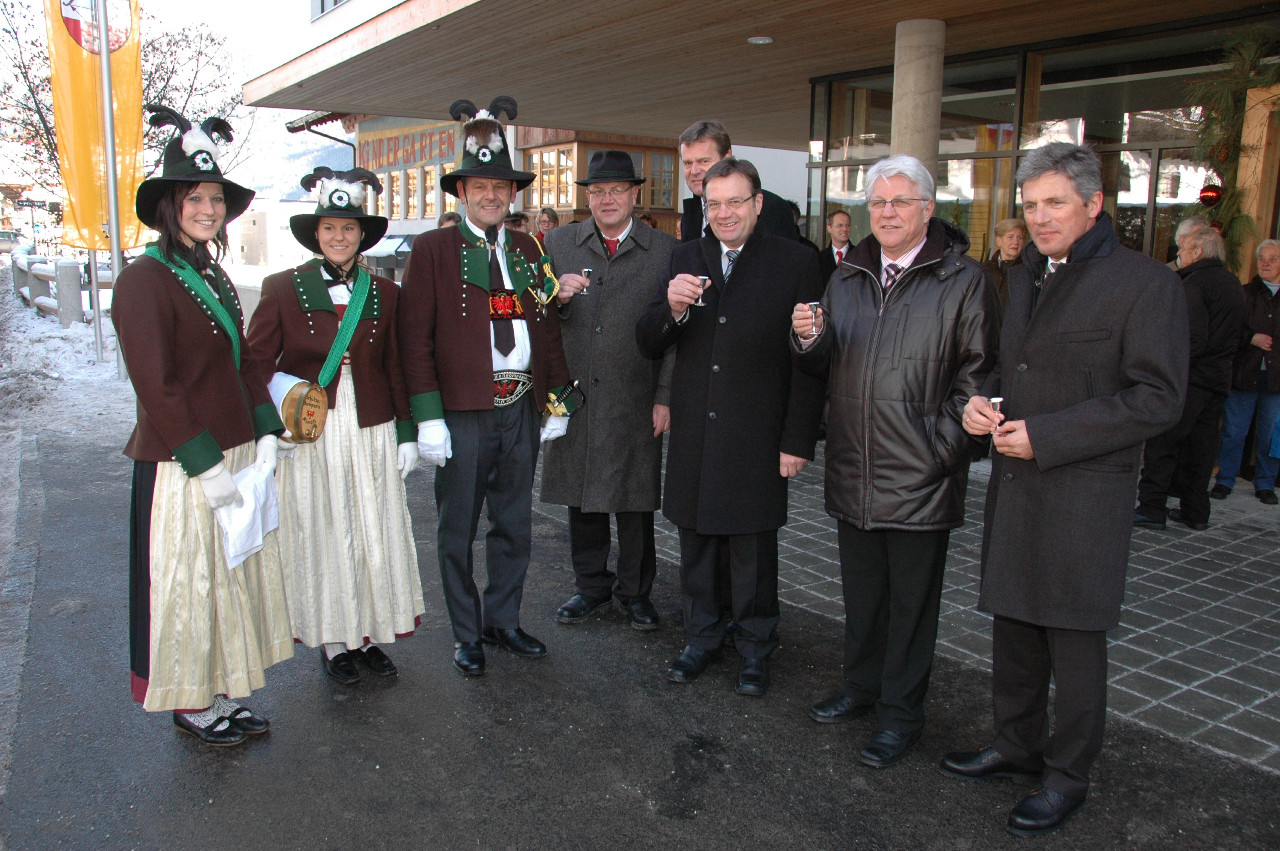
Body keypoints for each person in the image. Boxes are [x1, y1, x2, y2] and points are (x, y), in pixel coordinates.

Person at [945, 142, 1186, 837]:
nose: (1040, 217)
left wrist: (1048, 436)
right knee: (1015, 628)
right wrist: (982, 403)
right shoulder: (1025, 273)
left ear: (1094, 204)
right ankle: (1016, 744)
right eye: (1030, 205)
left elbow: (1159, 398)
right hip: (1018, 484)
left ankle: (1067, 776)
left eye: (1055, 202)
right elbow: (1012, 366)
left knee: (1075, 643)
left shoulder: (1146, 283)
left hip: (1085, 494)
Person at [792, 155, 998, 769]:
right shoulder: (848, 273)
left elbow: (980, 375)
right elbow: (827, 362)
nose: (886, 212)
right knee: (863, 597)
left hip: (921, 475)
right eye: (878, 202)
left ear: (928, 210)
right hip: (854, 467)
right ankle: (861, 687)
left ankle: (901, 716)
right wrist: (808, 338)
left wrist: (940, 453)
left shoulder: (963, 280)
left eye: (900, 202)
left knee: (911, 609)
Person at [113, 105, 293, 747]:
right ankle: (188, 700)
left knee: (223, 581)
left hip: (232, 452)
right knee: (186, 585)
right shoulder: (143, 280)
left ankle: (216, 689)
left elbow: (243, 363)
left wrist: (266, 428)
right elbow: (156, 386)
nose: (209, 209)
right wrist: (207, 465)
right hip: (184, 465)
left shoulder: (210, 273)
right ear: (169, 205)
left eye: (216, 198)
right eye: (194, 198)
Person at [398, 96, 575, 677]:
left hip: (520, 408)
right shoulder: (432, 250)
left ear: (512, 192)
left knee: (513, 524)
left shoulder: (528, 248)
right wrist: (427, 417)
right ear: (462, 191)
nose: (491, 195)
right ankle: (466, 633)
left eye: (500, 185)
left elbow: (546, 328)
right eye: (480, 185)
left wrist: (557, 400)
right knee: (458, 529)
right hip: (463, 414)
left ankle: (503, 621)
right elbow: (415, 341)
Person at [636, 157, 825, 697]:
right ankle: (701, 638)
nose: (724, 213)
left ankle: (756, 647)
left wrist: (797, 439)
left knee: (752, 551)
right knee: (696, 545)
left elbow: (811, 363)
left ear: (757, 204)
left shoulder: (795, 261)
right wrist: (671, 309)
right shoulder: (685, 257)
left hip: (757, 435)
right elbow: (648, 340)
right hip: (697, 432)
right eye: (713, 203)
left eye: (735, 201)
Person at [247, 167, 425, 685]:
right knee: (323, 528)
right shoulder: (282, 287)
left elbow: (396, 365)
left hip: (370, 425)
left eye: (348, 228)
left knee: (372, 528)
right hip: (312, 428)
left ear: (362, 234)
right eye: (329, 227)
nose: (339, 237)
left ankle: (367, 635)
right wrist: (268, 426)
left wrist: (407, 432)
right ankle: (332, 640)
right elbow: (255, 364)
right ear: (316, 233)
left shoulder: (386, 292)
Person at [540, 150, 677, 631]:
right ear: (588, 197)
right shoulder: (557, 242)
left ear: (635, 194)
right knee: (581, 496)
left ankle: (636, 592)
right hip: (576, 394)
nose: (607, 199)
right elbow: (535, 314)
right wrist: (556, 299)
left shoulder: (665, 250)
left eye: (617, 190)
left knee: (635, 499)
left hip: (635, 392)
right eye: (597, 191)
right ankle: (590, 586)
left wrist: (665, 395)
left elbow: (677, 331)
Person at [1135, 227, 1245, 530]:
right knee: (1201, 448)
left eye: (1182, 249)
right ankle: (1196, 512)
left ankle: (1151, 507)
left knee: (1163, 442)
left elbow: (1192, 339)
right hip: (1217, 380)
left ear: (1197, 252)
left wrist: (1166, 369)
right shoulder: (1233, 283)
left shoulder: (1194, 283)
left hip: (1190, 379)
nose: (1178, 255)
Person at [1211, 238, 1280, 505]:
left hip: (1275, 379)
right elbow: (1227, 329)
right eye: (1262, 258)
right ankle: (1225, 479)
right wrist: (1250, 338)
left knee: (1270, 435)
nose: (1266, 263)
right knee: (1233, 432)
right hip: (1244, 374)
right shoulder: (1245, 293)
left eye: (1273, 258)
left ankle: (1265, 483)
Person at [678, 120, 799, 243]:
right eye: (687, 163)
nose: (694, 171)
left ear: (727, 157)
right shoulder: (690, 214)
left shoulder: (773, 209)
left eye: (704, 161)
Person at [983, 218, 1026, 312]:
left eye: (1020, 237)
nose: (1016, 242)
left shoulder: (1027, 270)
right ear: (998, 240)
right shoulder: (985, 269)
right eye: (1010, 237)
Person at [818, 209, 852, 281]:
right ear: (829, 228)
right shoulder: (819, 258)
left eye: (847, 225)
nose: (845, 229)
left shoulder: (859, 256)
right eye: (840, 225)